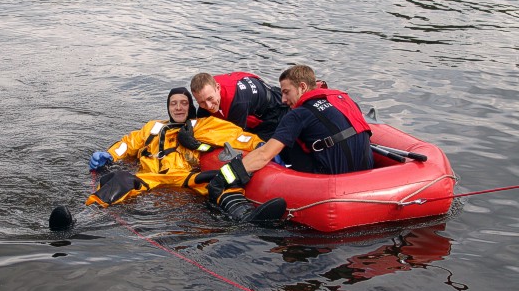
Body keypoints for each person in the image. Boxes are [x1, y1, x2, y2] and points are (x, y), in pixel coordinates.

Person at [83, 87, 285, 224]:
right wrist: (108, 154)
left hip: (184, 177)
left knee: (219, 179)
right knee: (119, 179)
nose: (178, 108)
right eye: (173, 104)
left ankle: (245, 214)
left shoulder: (203, 126)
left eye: (183, 103)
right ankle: (87, 213)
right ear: (168, 107)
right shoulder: (153, 127)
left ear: (190, 106)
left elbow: (237, 136)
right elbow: (128, 144)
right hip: (149, 176)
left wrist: (259, 144)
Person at [205, 65, 374, 207]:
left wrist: (223, 177)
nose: (283, 100)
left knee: (272, 146)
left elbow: (264, 156)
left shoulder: (297, 115)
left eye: (286, 92)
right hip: (368, 179)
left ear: (302, 87)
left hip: (331, 185)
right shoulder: (344, 99)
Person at [190, 72, 289, 141]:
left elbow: (235, 136)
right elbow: (201, 121)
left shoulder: (237, 102)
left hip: (275, 110)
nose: (208, 106)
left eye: (210, 99)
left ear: (218, 88)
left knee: (255, 144)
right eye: (201, 102)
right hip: (256, 99)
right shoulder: (208, 89)